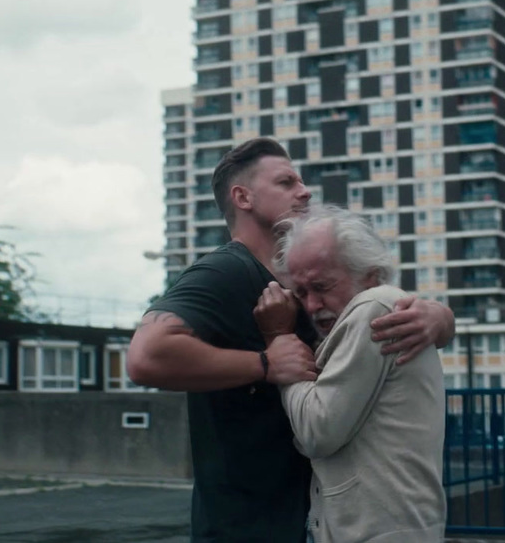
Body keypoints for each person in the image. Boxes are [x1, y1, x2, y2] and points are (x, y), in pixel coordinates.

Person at [127, 138, 455, 543]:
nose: (304, 191)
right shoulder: (226, 272)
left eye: (301, 181)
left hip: (313, 520)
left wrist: (441, 319)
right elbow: (146, 357)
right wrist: (265, 364)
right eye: (286, 182)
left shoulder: (303, 281)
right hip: (245, 525)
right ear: (243, 197)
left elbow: (375, 319)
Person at [253, 205, 446, 543]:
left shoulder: (374, 307)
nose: (312, 305)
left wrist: (279, 341)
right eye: (300, 293)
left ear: (370, 275)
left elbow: (317, 429)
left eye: (323, 286)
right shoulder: (374, 310)